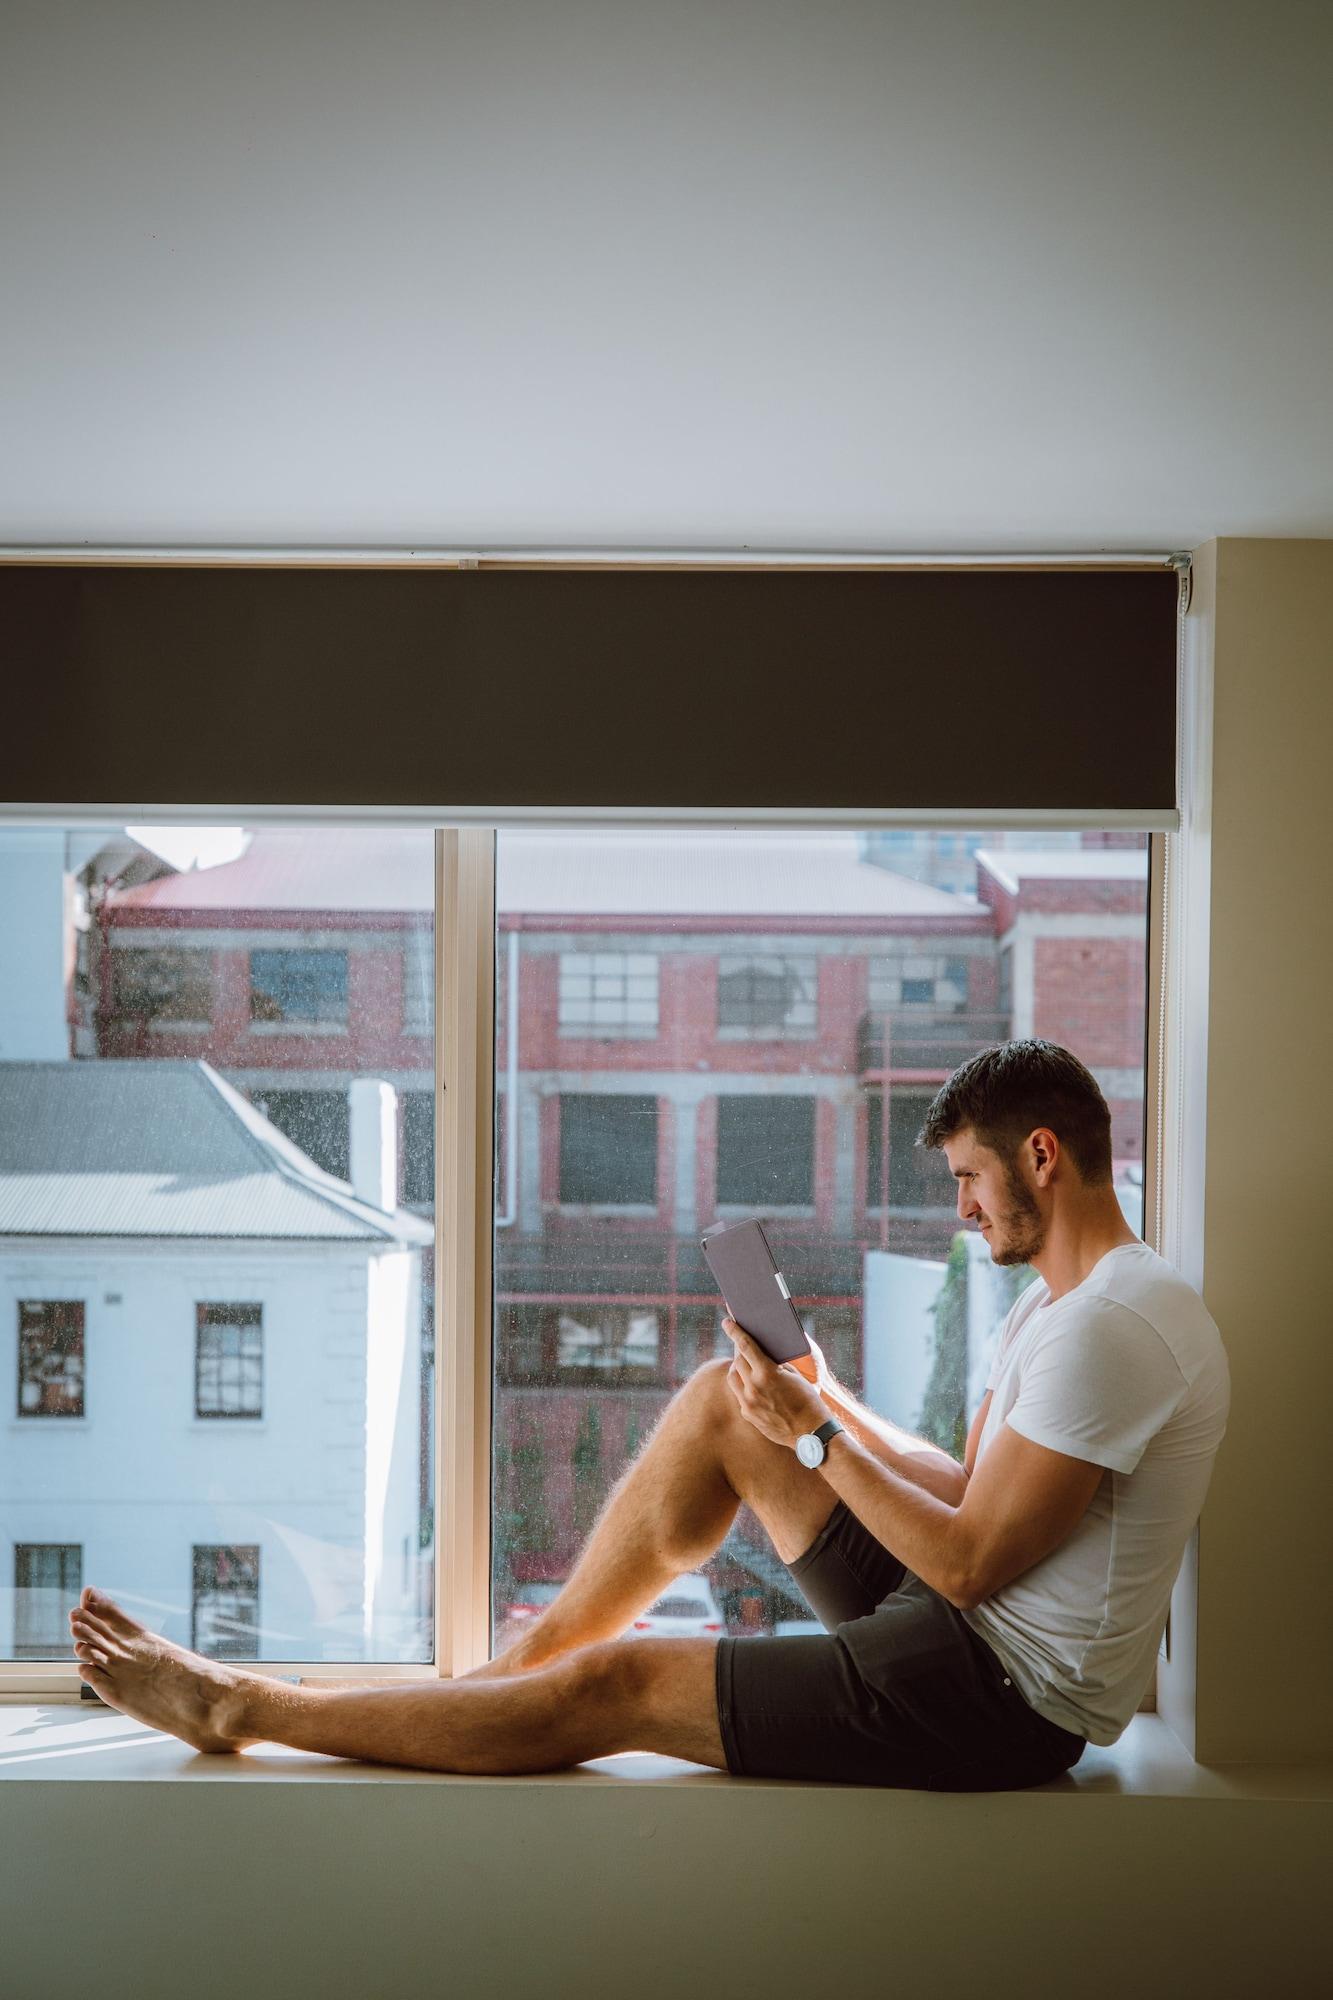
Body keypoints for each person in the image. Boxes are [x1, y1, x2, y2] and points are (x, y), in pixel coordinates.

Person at [69, 1039, 1229, 1789]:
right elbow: (967, 1497)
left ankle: (246, 1701)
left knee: (617, 1691)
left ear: (1041, 1154)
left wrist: (818, 1434)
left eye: (971, 1179)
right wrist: (813, 1397)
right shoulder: (1060, 1307)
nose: (965, 1209)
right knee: (720, 1409)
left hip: (1003, 1697)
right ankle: (511, 1668)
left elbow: (972, 1561)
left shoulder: (1115, 1325)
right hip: (955, 1625)